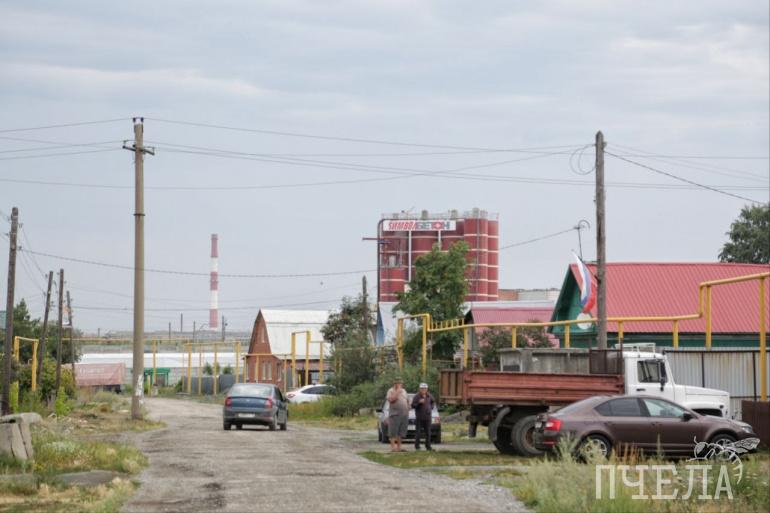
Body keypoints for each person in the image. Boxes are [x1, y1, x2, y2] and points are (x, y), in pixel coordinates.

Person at [386, 377, 409, 452]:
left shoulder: (404, 391)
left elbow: (407, 400)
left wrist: (408, 406)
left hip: (404, 414)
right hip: (395, 414)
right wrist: (398, 391)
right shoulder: (390, 390)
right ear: (394, 383)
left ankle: (399, 447)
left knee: (401, 432)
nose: (399, 384)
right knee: (393, 432)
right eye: (398, 383)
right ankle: (393, 447)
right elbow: (391, 400)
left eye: (400, 383)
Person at [411, 382, 435, 451]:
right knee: (418, 433)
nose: (423, 390)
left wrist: (431, 407)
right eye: (422, 389)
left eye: (425, 389)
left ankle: (428, 446)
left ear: (427, 389)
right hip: (419, 417)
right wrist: (419, 403)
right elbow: (413, 405)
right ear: (420, 389)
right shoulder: (417, 396)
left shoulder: (429, 395)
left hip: (427, 417)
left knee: (428, 433)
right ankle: (417, 446)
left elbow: (433, 402)